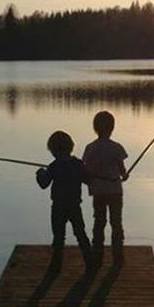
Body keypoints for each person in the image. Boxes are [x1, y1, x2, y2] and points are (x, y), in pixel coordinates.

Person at [35, 130, 93, 269]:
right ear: (70, 147)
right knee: (80, 233)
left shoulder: (54, 166)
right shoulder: (78, 164)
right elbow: (88, 180)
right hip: (74, 205)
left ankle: (56, 263)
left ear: (53, 150)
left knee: (58, 236)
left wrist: (40, 173)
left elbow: (44, 184)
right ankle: (90, 261)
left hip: (58, 206)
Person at [82, 110, 128, 262]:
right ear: (112, 128)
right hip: (115, 190)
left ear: (95, 128)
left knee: (99, 221)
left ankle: (98, 252)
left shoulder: (90, 148)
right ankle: (118, 253)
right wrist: (125, 175)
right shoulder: (117, 147)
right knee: (116, 221)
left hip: (98, 190)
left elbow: (86, 170)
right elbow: (122, 170)